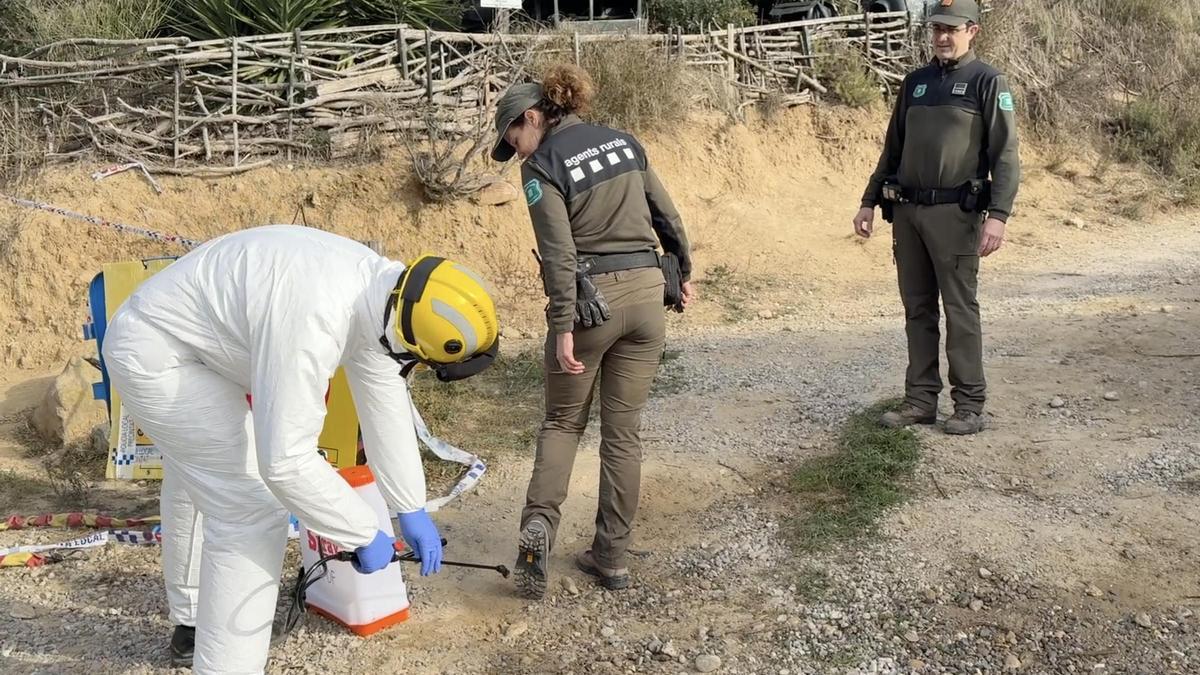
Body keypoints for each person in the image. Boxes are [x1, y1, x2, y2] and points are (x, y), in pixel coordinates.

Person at [101, 225, 499, 673]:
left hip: (187, 342)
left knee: (203, 473)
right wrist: (361, 532)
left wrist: (409, 505)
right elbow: (286, 462)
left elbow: (382, 390)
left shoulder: (382, 291)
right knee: (248, 508)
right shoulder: (315, 318)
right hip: (158, 356)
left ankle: (193, 621)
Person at [490, 64, 695, 598]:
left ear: (532, 117)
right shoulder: (625, 142)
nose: (517, 152)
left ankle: (538, 531)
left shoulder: (542, 169)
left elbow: (559, 256)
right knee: (623, 433)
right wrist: (681, 273)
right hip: (649, 297)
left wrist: (561, 327)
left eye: (514, 139)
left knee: (561, 422)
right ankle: (612, 557)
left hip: (590, 306)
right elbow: (667, 216)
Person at [852, 0, 1019, 435]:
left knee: (960, 309)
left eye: (951, 28)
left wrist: (998, 214)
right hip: (908, 214)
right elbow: (892, 150)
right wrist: (869, 200)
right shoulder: (915, 83)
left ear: (972, 31)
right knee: (918, 309)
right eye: (936, 29)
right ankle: (920, 400)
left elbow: (1006, 156)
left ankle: (969, 405)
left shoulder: (987, 81)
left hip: (955, 214)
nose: (942, 37)